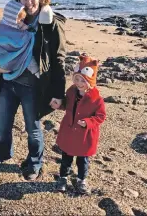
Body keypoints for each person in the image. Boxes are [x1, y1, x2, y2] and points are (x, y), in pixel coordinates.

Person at [0, 0, 67, 181]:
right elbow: (0, 44)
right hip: (8, 83)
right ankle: (4, 153)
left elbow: (59, 59)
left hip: (33, 87)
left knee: (33, 129)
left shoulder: (50, 23)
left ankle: (34, 162)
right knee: (2, 126)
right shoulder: (13, 17)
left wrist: (59, 93)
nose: (29, 0)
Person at [54, 53, 106, 194]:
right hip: (69, 132)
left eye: (82, 81)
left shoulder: (97, 99)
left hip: (85, 135)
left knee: (82, 160)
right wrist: (58, 104)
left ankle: (81, 180)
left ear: (89, 82)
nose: (78, 83)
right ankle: (63, 178)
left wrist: (88, 122)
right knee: (66, 157)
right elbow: (66, 104)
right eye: (76, 79)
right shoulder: (71, 92)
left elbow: (101, 116)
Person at [0, 0, 52, 79]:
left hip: (2, 63)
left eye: (22, 20)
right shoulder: (4, 30)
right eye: (19, 20)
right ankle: (37, 73)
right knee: (29, 59)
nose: (21, 22)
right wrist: (30, 32)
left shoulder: (1, 27)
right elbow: (19, 41)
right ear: (12, 19)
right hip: (6, 60)